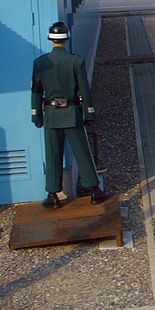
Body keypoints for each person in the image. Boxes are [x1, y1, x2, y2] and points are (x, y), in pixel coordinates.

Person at [31, 22, 109, 208]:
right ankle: (94, 191)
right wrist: (89, 113)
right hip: (72, 113)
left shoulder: (40, 63)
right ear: (66, 39)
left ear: (51, 40)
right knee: (82, 153)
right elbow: (85, 90)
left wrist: (37, 116)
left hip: (51, 115)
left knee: (53, 155)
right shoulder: (76, 61)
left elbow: (36, 92)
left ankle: (52, 195)